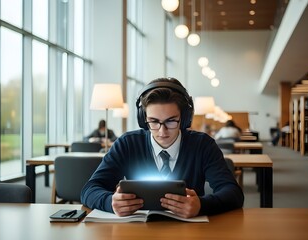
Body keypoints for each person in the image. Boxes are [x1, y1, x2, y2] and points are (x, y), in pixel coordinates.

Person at [81, 77, 244, 218]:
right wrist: (111, 202)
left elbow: (233, 193)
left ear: (185, 119)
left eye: (171, 121)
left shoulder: (203, 145)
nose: (162, 131)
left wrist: (201, 205)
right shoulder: (127, 144)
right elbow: (89, 190)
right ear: (142, 119)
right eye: (153, 121)